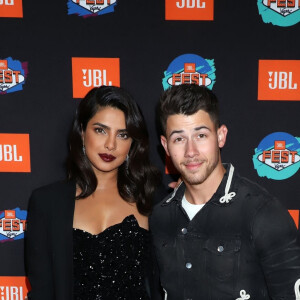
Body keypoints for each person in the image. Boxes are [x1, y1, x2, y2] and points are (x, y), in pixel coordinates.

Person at [150, 84, 300, 300]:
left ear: (220, 136)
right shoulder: (160, 218)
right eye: (179, 139)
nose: (190, 151)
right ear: (166, 146)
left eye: (200, 135)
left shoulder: (262, 213)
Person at [26, 86, 160, 300]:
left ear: (133, 143)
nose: (110, 144)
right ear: (81, 131)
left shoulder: (155, 200)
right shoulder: (47, 203)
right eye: (100, 130)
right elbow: (42, 292)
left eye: (123, 135)